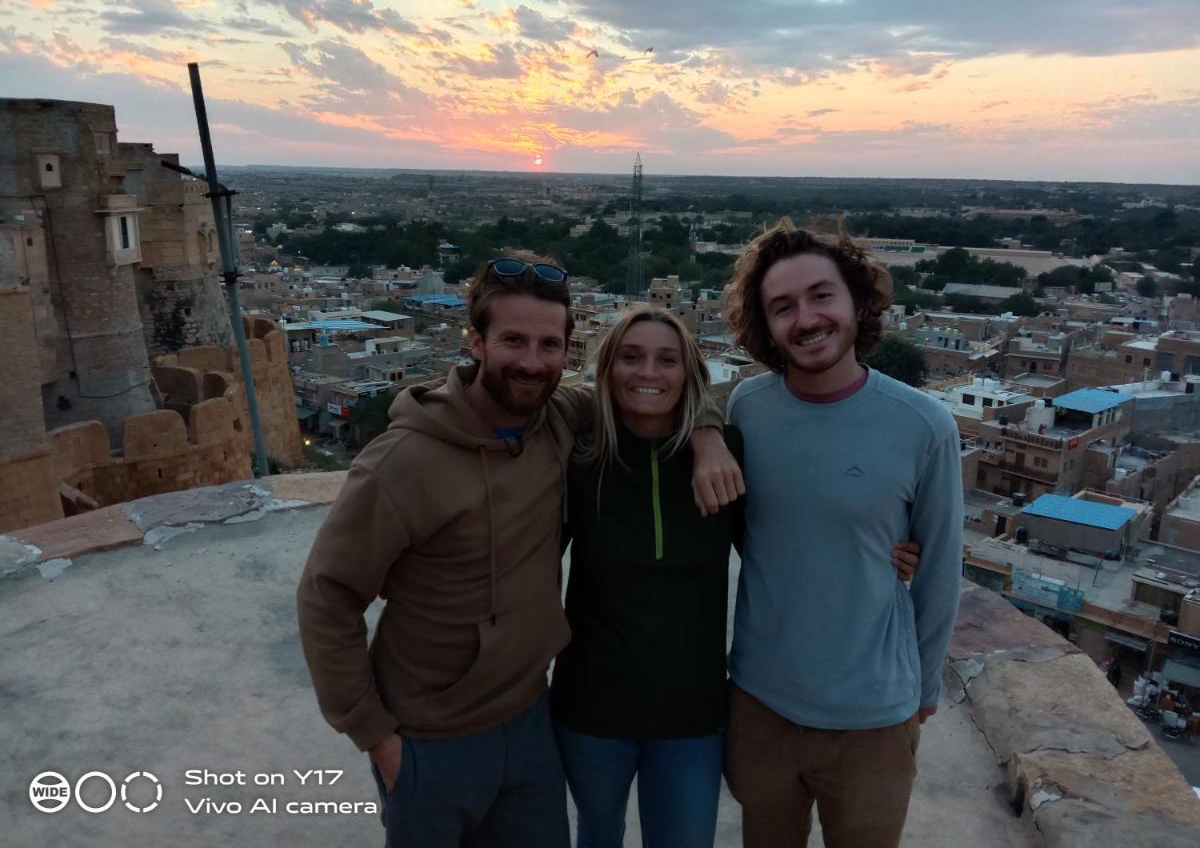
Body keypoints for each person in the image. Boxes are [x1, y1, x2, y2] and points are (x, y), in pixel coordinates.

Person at [296, 257, 738, 848]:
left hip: (530, 723)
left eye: (548, 345)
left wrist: (708, 432)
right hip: (431, 734)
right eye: (513, 341)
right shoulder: (403, 461)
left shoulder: (558, 421)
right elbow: (328, 595)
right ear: (475, 342)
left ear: (566, 352)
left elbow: (654, 392)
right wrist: (374, 734)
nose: (532, 362)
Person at [551, 305, 922, 848]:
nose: (648, 373)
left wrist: (879, 553)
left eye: (667, 360)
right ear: (606, 370)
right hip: (590, 709)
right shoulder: (580, 461)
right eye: (630, 358)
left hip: (692, 716)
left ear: (689, 375)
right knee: (597, 835)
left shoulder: (727, 460)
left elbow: (786, 548)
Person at [722, 220, 964, 848]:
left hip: (873, 717)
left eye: (820, 295)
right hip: (762, 703)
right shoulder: (748, 408)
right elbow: (758, 530)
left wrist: (922, 691)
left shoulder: (923, 425)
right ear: (766, 325)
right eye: (783, 307)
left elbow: (939, 572)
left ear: (857, 300)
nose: (805, 319)